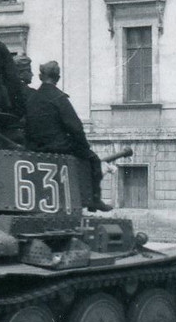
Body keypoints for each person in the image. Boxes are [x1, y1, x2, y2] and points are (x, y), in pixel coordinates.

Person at [24, 60, 112, 212]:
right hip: (58, 146)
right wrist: (84, 147)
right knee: (93, 160)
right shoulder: (59, 98)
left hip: (35, 147)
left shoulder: (32, 98)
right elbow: (75, 128)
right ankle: (94, 200)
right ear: (58, 78)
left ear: (40, 76)